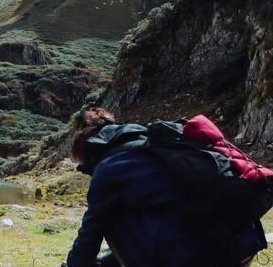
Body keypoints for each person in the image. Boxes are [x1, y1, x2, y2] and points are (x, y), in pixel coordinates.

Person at [64, 108, 267, 267]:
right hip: (241, 239)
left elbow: (91, 232)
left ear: (88, 150)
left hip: (199, 254)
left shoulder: (109, 169)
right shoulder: (158, 143)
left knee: (109, 216)